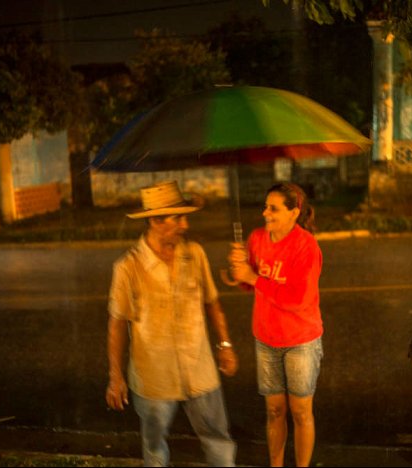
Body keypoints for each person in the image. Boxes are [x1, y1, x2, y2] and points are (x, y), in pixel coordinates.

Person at [105, 180, 238, 467]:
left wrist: (225, 345)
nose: (185, 225)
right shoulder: (128, 267)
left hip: (200, 370)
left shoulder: (195, 254)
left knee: (218, 438)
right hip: (154, 378)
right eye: (178, 218)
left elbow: (212, 302)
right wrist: (116, 377)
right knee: (154, 446)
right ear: (155, 220)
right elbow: (116, 325)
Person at [227, 182, 323, 467]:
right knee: (274, 411)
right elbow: (248, 285)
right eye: (265, 206)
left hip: (300, 341)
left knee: (301, 412)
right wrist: (237, 271)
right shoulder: (257, 238)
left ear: (294, 213)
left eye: (273, 208)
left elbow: (298, 298)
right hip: (266, 338)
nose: (265, 213)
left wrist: (254, 278)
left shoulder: (306, 246)